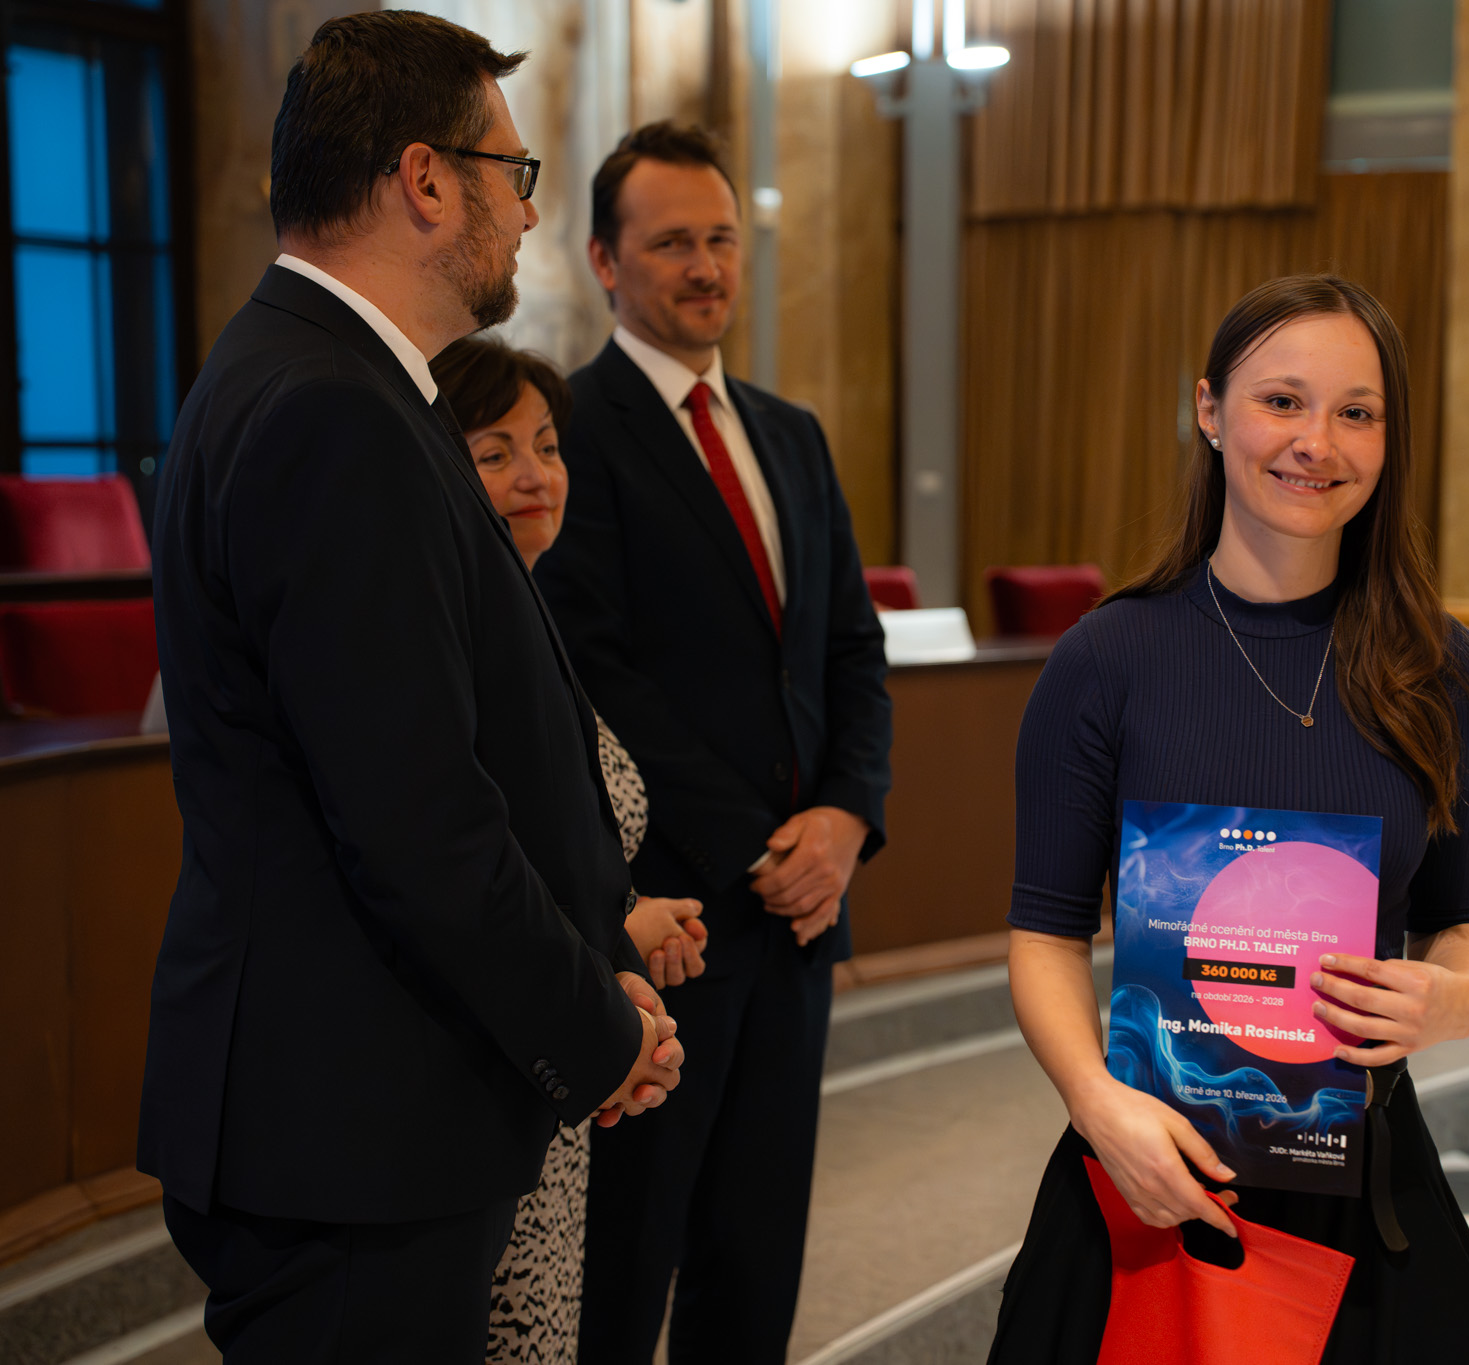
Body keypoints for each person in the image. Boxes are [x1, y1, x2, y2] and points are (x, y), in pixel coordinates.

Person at [140, 15, 682, 1361]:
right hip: (350, 1123)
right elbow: (417, 821)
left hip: (361, 1108)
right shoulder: (331, 408)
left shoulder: (337, 381)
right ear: (427, 179)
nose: (528, 212)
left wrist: (600, 966)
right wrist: (594, 1029)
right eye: (516, 172)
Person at [988, 274, 1469, 1363]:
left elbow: (1465, 917)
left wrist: (1454, 996)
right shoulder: (1106, 661)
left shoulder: (1444, 671)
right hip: (1151, 1162)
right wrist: (1095, 1104)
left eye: (1355, 412)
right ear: (1209, 410)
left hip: (1363, 1178)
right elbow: (1044, 931)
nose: (1316, 442)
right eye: (1281, 401)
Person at [531, 121, 893, 1363]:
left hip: (798, 919)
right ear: (604, 261)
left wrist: (843, 820)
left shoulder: (789, 433)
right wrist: (760, 847)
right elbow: (595, 676)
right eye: (671, 242)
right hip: (670, 917)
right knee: (628, 1263)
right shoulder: (569, 431)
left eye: (722, 239)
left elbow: (848, 649)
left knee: (756, 1256)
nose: (704, 266)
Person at [429, 335, 711, 1362]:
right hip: (497, 1061)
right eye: (494, 451)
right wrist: (611, 950)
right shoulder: (455, 631)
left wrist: (626, 919)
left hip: (566, 1044)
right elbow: (469, 862)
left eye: (546, 447)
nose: (534, 475)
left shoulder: (531, 616)